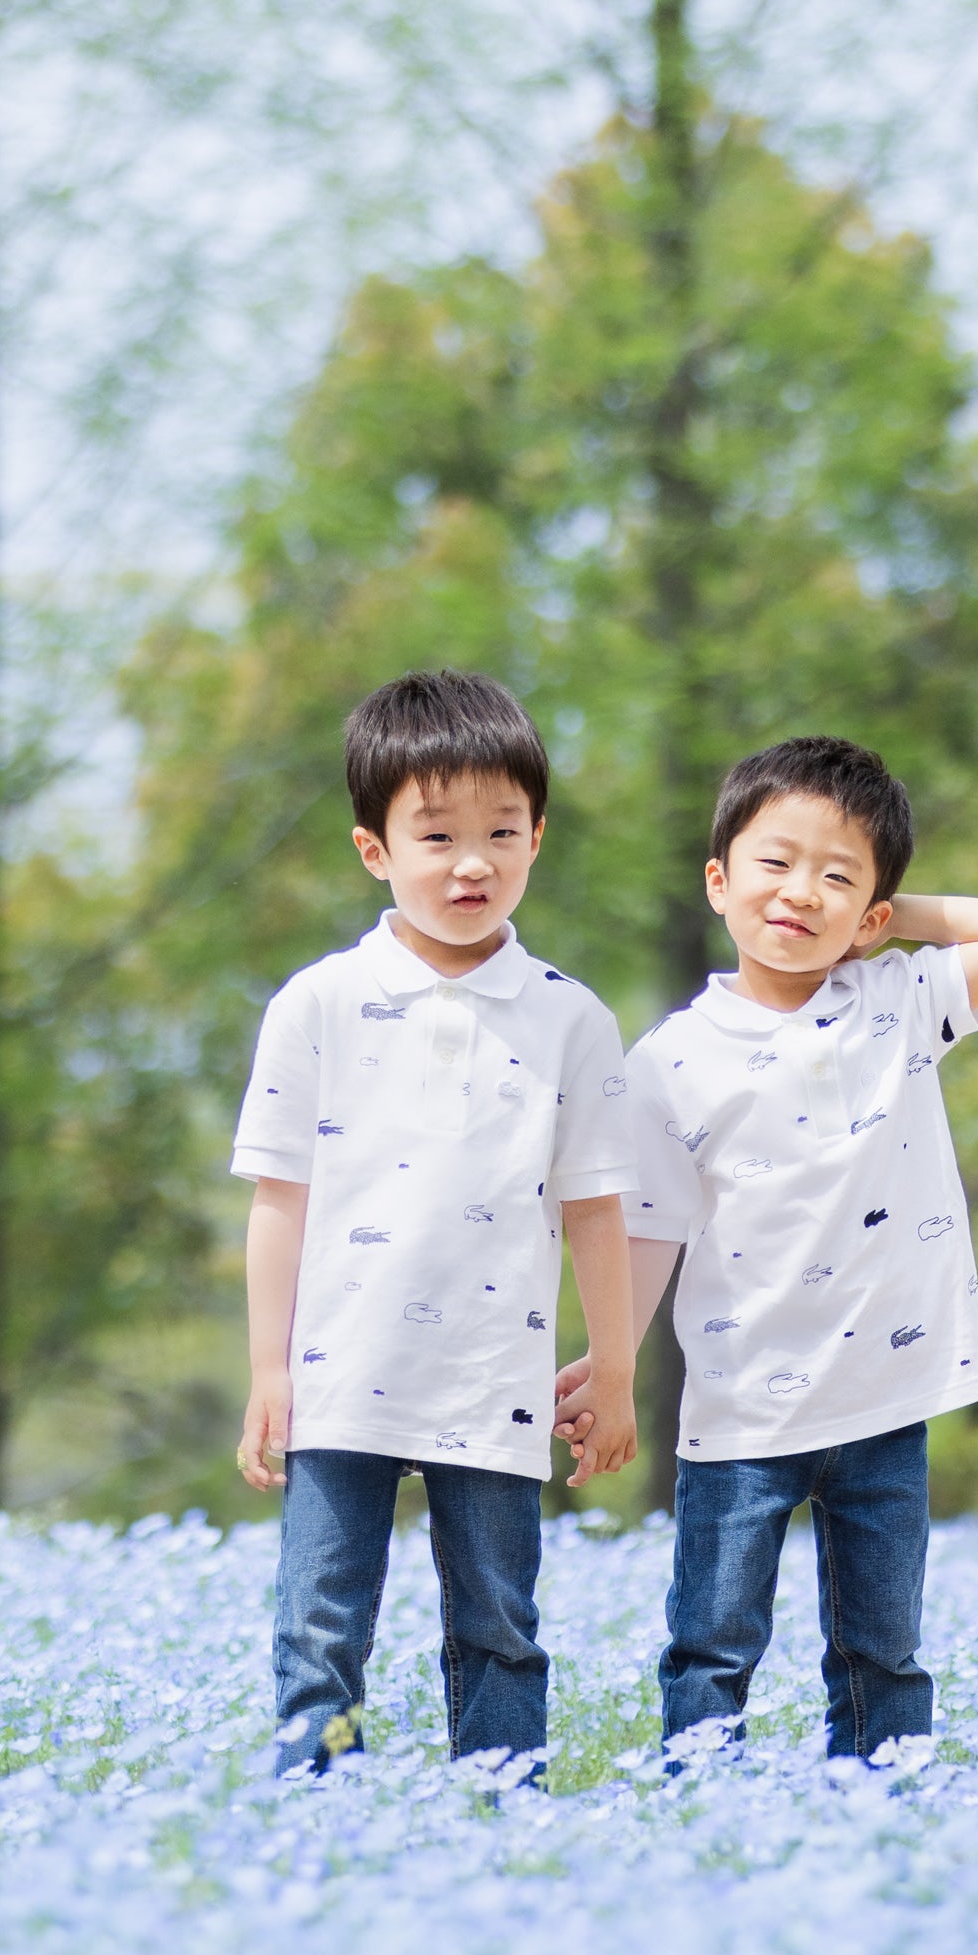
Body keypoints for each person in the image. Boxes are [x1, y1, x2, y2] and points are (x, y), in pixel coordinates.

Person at [582, 734, 978, 1766]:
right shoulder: (668, 1062)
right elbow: (650, 1232)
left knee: (882, 1652)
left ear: (874, 914)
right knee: (712, 1646)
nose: (801, 893)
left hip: (882, 1397)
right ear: (717, 881)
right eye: (775, 863)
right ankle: (705, 1819)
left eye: (837, 878)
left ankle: (884, 1822)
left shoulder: (894, 1004)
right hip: (742, 1406)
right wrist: (613, 1366)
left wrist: (882, 922)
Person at [231, 669, 643, 1778]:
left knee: (500, 1631)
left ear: (537, 839)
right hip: (340, 1369)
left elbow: (599, 1210)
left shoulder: (571, 1017)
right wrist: (269, 1372)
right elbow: (279, 1200)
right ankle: (308, 1830)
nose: (474, 862)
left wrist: (615, 1367)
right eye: (438, 835)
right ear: (376, 850)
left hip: (492, 1373)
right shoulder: (316, 1004)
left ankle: (504, 1834)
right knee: (319, 1631)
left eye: (502, 831)